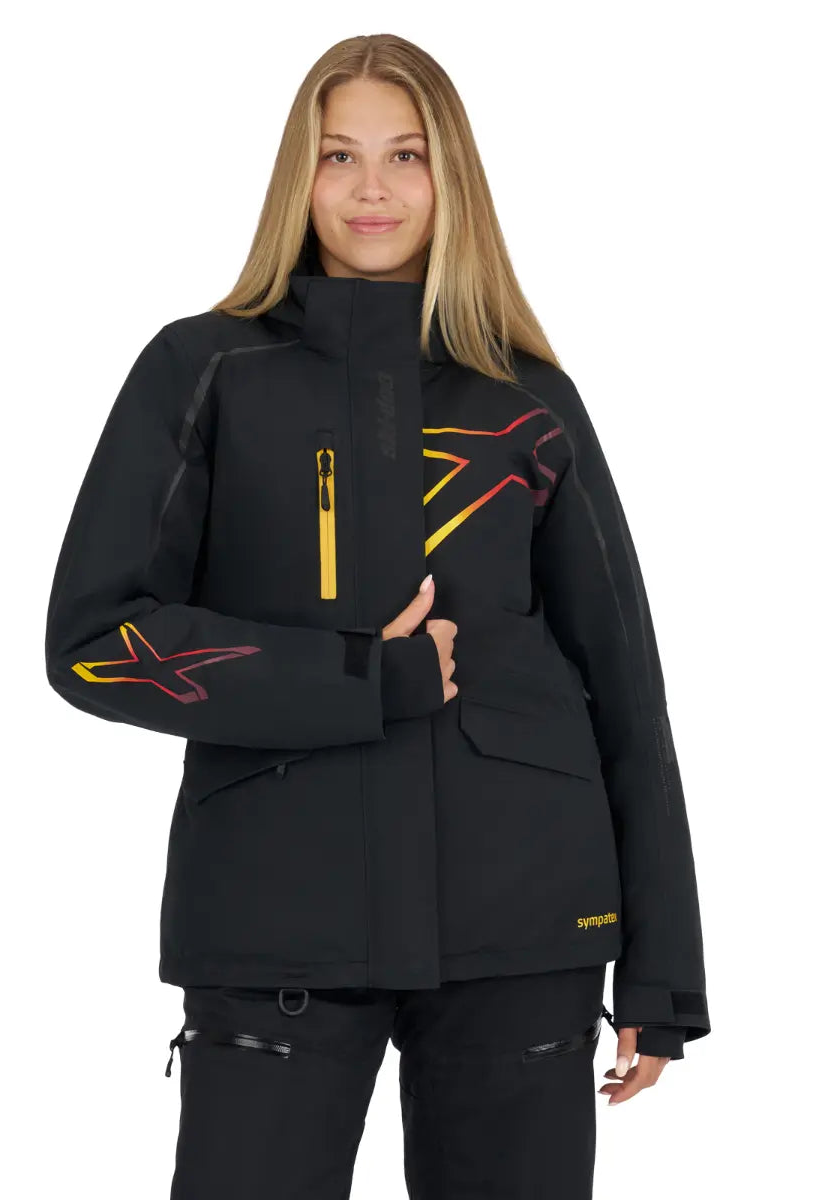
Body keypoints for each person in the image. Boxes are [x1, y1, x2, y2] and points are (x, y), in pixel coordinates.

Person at [44, 32, 709, 1200]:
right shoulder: (205, 370)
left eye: (406, 155)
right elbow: (97, 642)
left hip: (523, 918)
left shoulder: (524, 399)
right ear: (297, 176)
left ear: (451, 178)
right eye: (338, 154)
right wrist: (357, 680)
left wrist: (664, 971)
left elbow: (624, 684)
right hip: (276, 910)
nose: (372, 189)